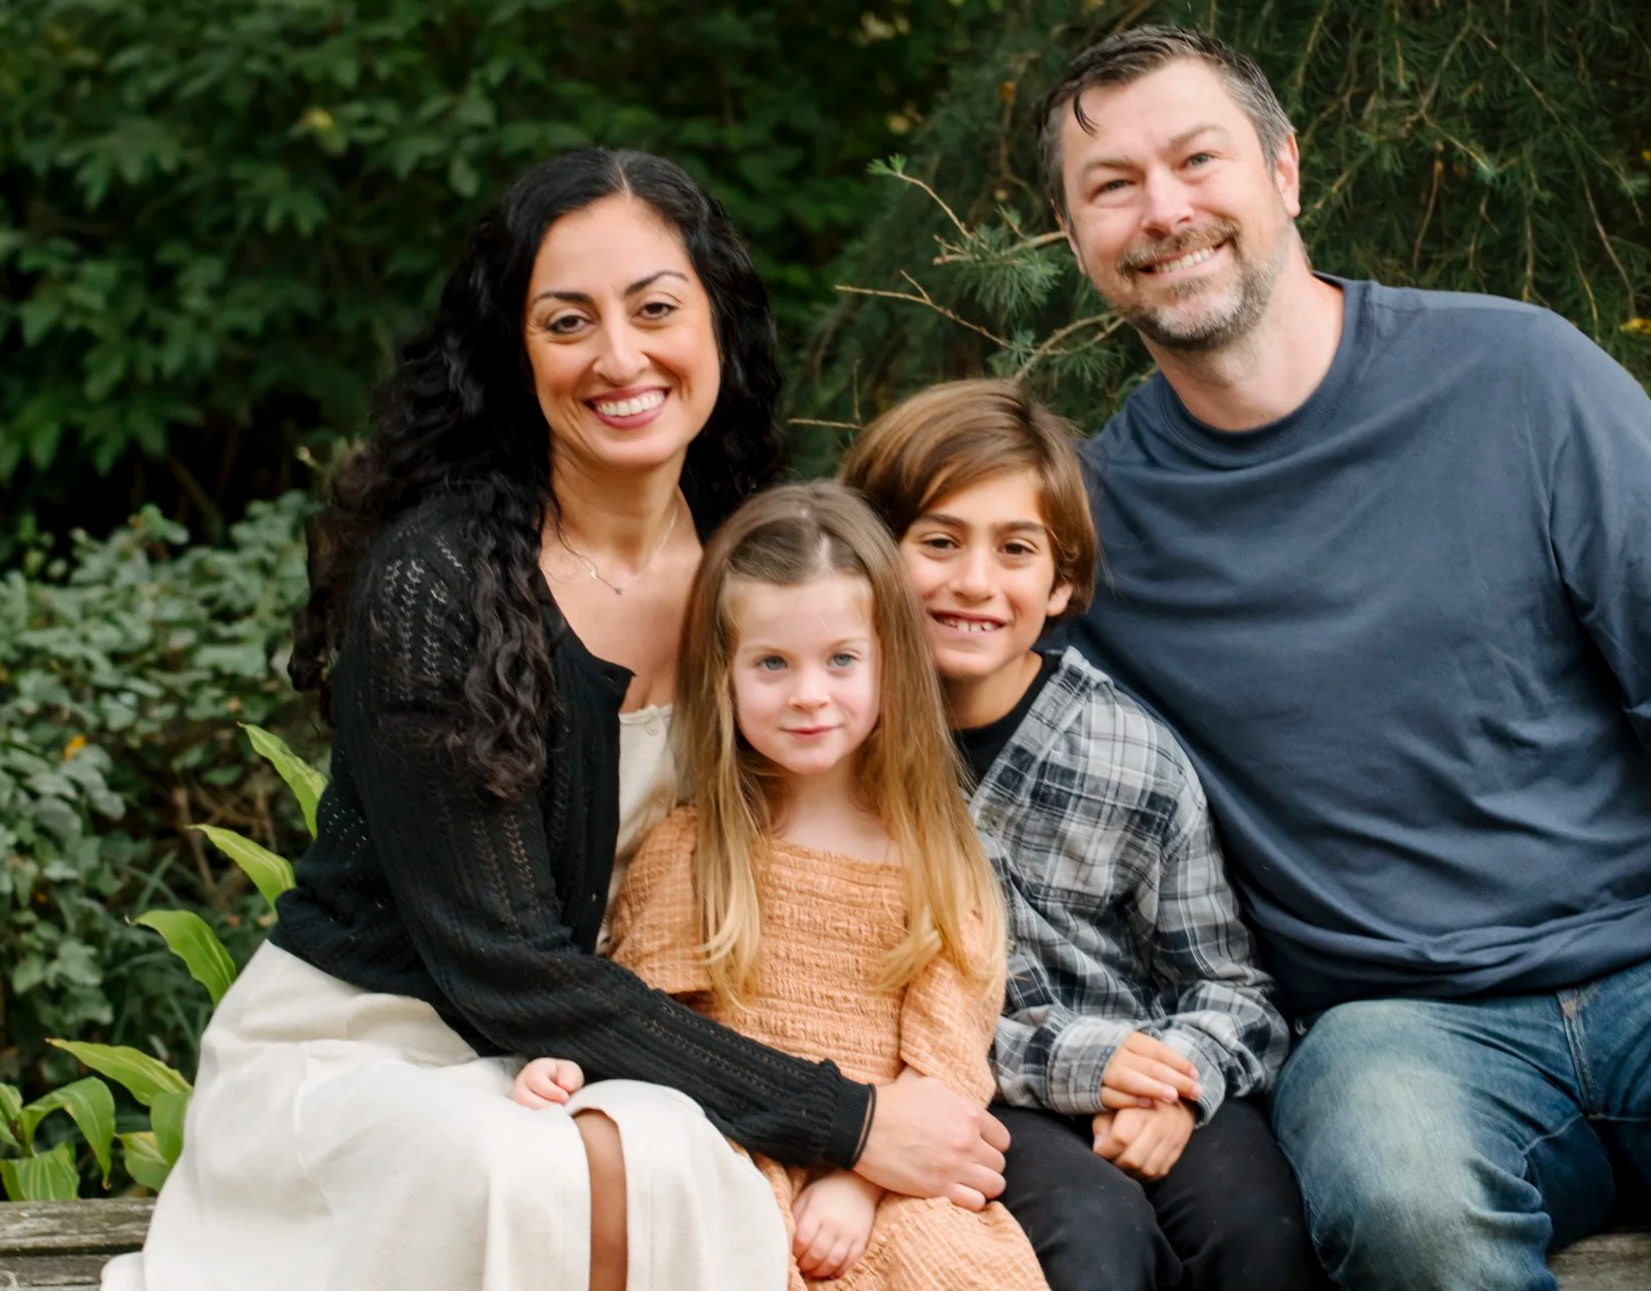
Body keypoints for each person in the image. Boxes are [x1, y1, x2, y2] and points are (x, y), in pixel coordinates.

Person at [106, 150, 1009, 1291]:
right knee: (535, 1171)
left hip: (633, 1047)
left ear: (716, 325)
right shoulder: (439, 589)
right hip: (390, 1043)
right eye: (567, 320)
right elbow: (506, 967)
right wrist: (846, 1117)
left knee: (675, 1150)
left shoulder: (758, 561)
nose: (619, 357)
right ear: (513, 352)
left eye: (656, 309)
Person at [1035, 24, 1651, 1291]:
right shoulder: (1085, 523)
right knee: (1401, 1204)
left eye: (1197, 159)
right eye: (1111, 187)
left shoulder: (1519, 377)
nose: (1164, 210)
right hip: (1397, 1027)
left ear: (1285, 170)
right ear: (1076, 240)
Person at [839, 378, 1317, 1291]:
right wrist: (1072, 1065)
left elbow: (1235, 990)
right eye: (937, 541)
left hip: (1146, 1072)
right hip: (959, 1091)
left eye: (1016, 549)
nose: (974, 581)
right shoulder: (837, 749)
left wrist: (1179, 1080)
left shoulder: (1128, 754)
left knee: (1259, 1233)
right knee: (1088, 1242)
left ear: (1061, 581)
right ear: (870, 553)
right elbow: (840, 1003)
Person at [513, 481, 1049, 1291]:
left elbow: (945, 1066)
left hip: (891, 1177)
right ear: (723, 676)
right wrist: (568, 1066)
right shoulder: (695, 848)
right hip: (734, 1146)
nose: (808, 693)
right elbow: (643, 1016)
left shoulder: (936, 859)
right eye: (772, 662)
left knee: (953, 1268)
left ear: (888, 664)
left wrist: (860, 1179)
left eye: (841, 660)